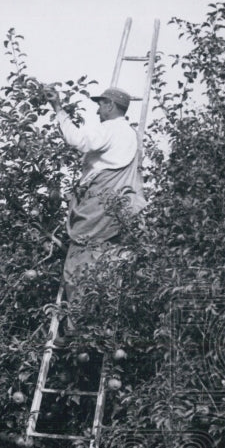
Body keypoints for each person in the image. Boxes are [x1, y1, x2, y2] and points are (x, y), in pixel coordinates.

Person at [44, 85, 146, 340]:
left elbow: (78, 140)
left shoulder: (110, 129)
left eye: (101, 104)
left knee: (80, 254)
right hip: (117, 208)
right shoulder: (131, 134)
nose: (98, 110)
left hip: (99, 206)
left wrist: (58, 108)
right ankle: (102, 319)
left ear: (110, 105)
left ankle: (79, 324)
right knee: (105, 259)